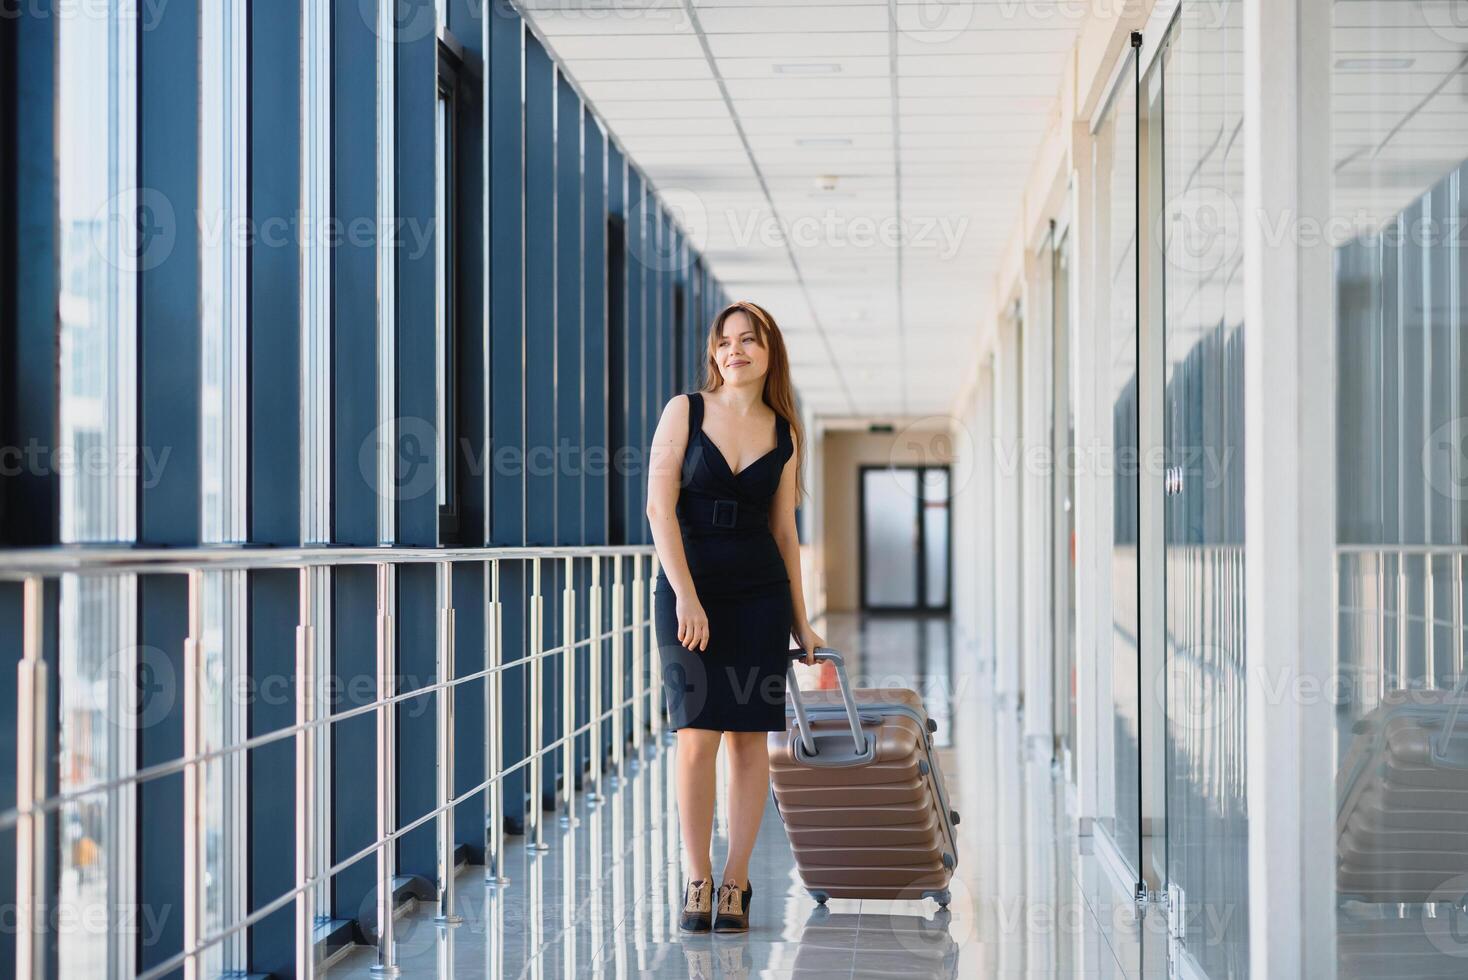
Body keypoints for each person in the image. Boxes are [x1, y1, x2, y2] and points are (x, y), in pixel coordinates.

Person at [645, 300, 824, 934]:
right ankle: (697, 877)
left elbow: (783, 530)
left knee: (751, 740)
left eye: (749, 341)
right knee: (696, 739)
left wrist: (802, 622)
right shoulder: (684, 411)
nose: (734, 351)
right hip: (690, 588)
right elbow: (659, 510)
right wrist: (685, 594)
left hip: (759, 592)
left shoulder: (785, 431)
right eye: (724, 342)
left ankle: (737, 880)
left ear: (770, 353)